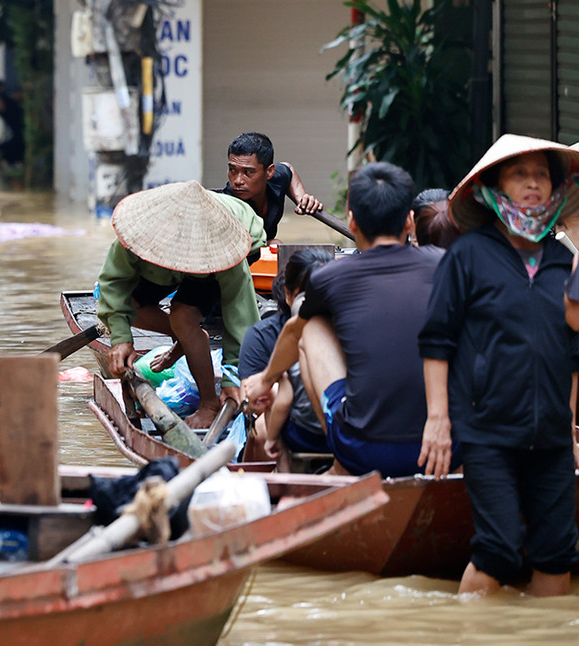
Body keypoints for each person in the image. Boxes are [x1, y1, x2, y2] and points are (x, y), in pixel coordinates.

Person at [418, 135, 579, 597]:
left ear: (554, 189)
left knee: (557, 554)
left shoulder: (561, 261)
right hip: (488, 432)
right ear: (495, 188)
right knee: (499, 549)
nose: (532, 183)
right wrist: (438, 420)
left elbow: (573, 353)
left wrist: (567, 428)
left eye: (542, 175)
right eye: (519, 174)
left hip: (550, 438)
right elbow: (436, 340)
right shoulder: (468, 257)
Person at [244, 162, 442, 478]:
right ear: (409, 221)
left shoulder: (331, 278)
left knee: (310, 328)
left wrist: (266, 379)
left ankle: (342, 463)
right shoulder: (446, 266)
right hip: (446, 444)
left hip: (362, 449)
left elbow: (294, 333)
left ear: (352, 221)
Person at [97, 180, 266, 429]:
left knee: (183, 315)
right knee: (131, 306)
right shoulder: (138, 236)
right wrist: (121, 339)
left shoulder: (226, 249)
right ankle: (190, 339)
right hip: (161, 263)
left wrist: (233, 378)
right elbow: (114, 286)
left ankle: (209, 404)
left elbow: (240, 315)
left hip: (233, 244)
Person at [242, 248, 335, 465]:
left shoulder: (346, 327)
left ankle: (285, 480)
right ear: (287, 294)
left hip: (313, 429)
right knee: (264, 428)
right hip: (332, 426)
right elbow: (253, 400)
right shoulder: (263, 335)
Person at [222, 132, 322, 242]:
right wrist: (268, 245)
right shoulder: (227, 207)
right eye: (232, 170)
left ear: (269, 172)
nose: (238, 181)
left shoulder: (277, 179)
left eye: (248, 172)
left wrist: (302, 198)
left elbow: (288, 168)